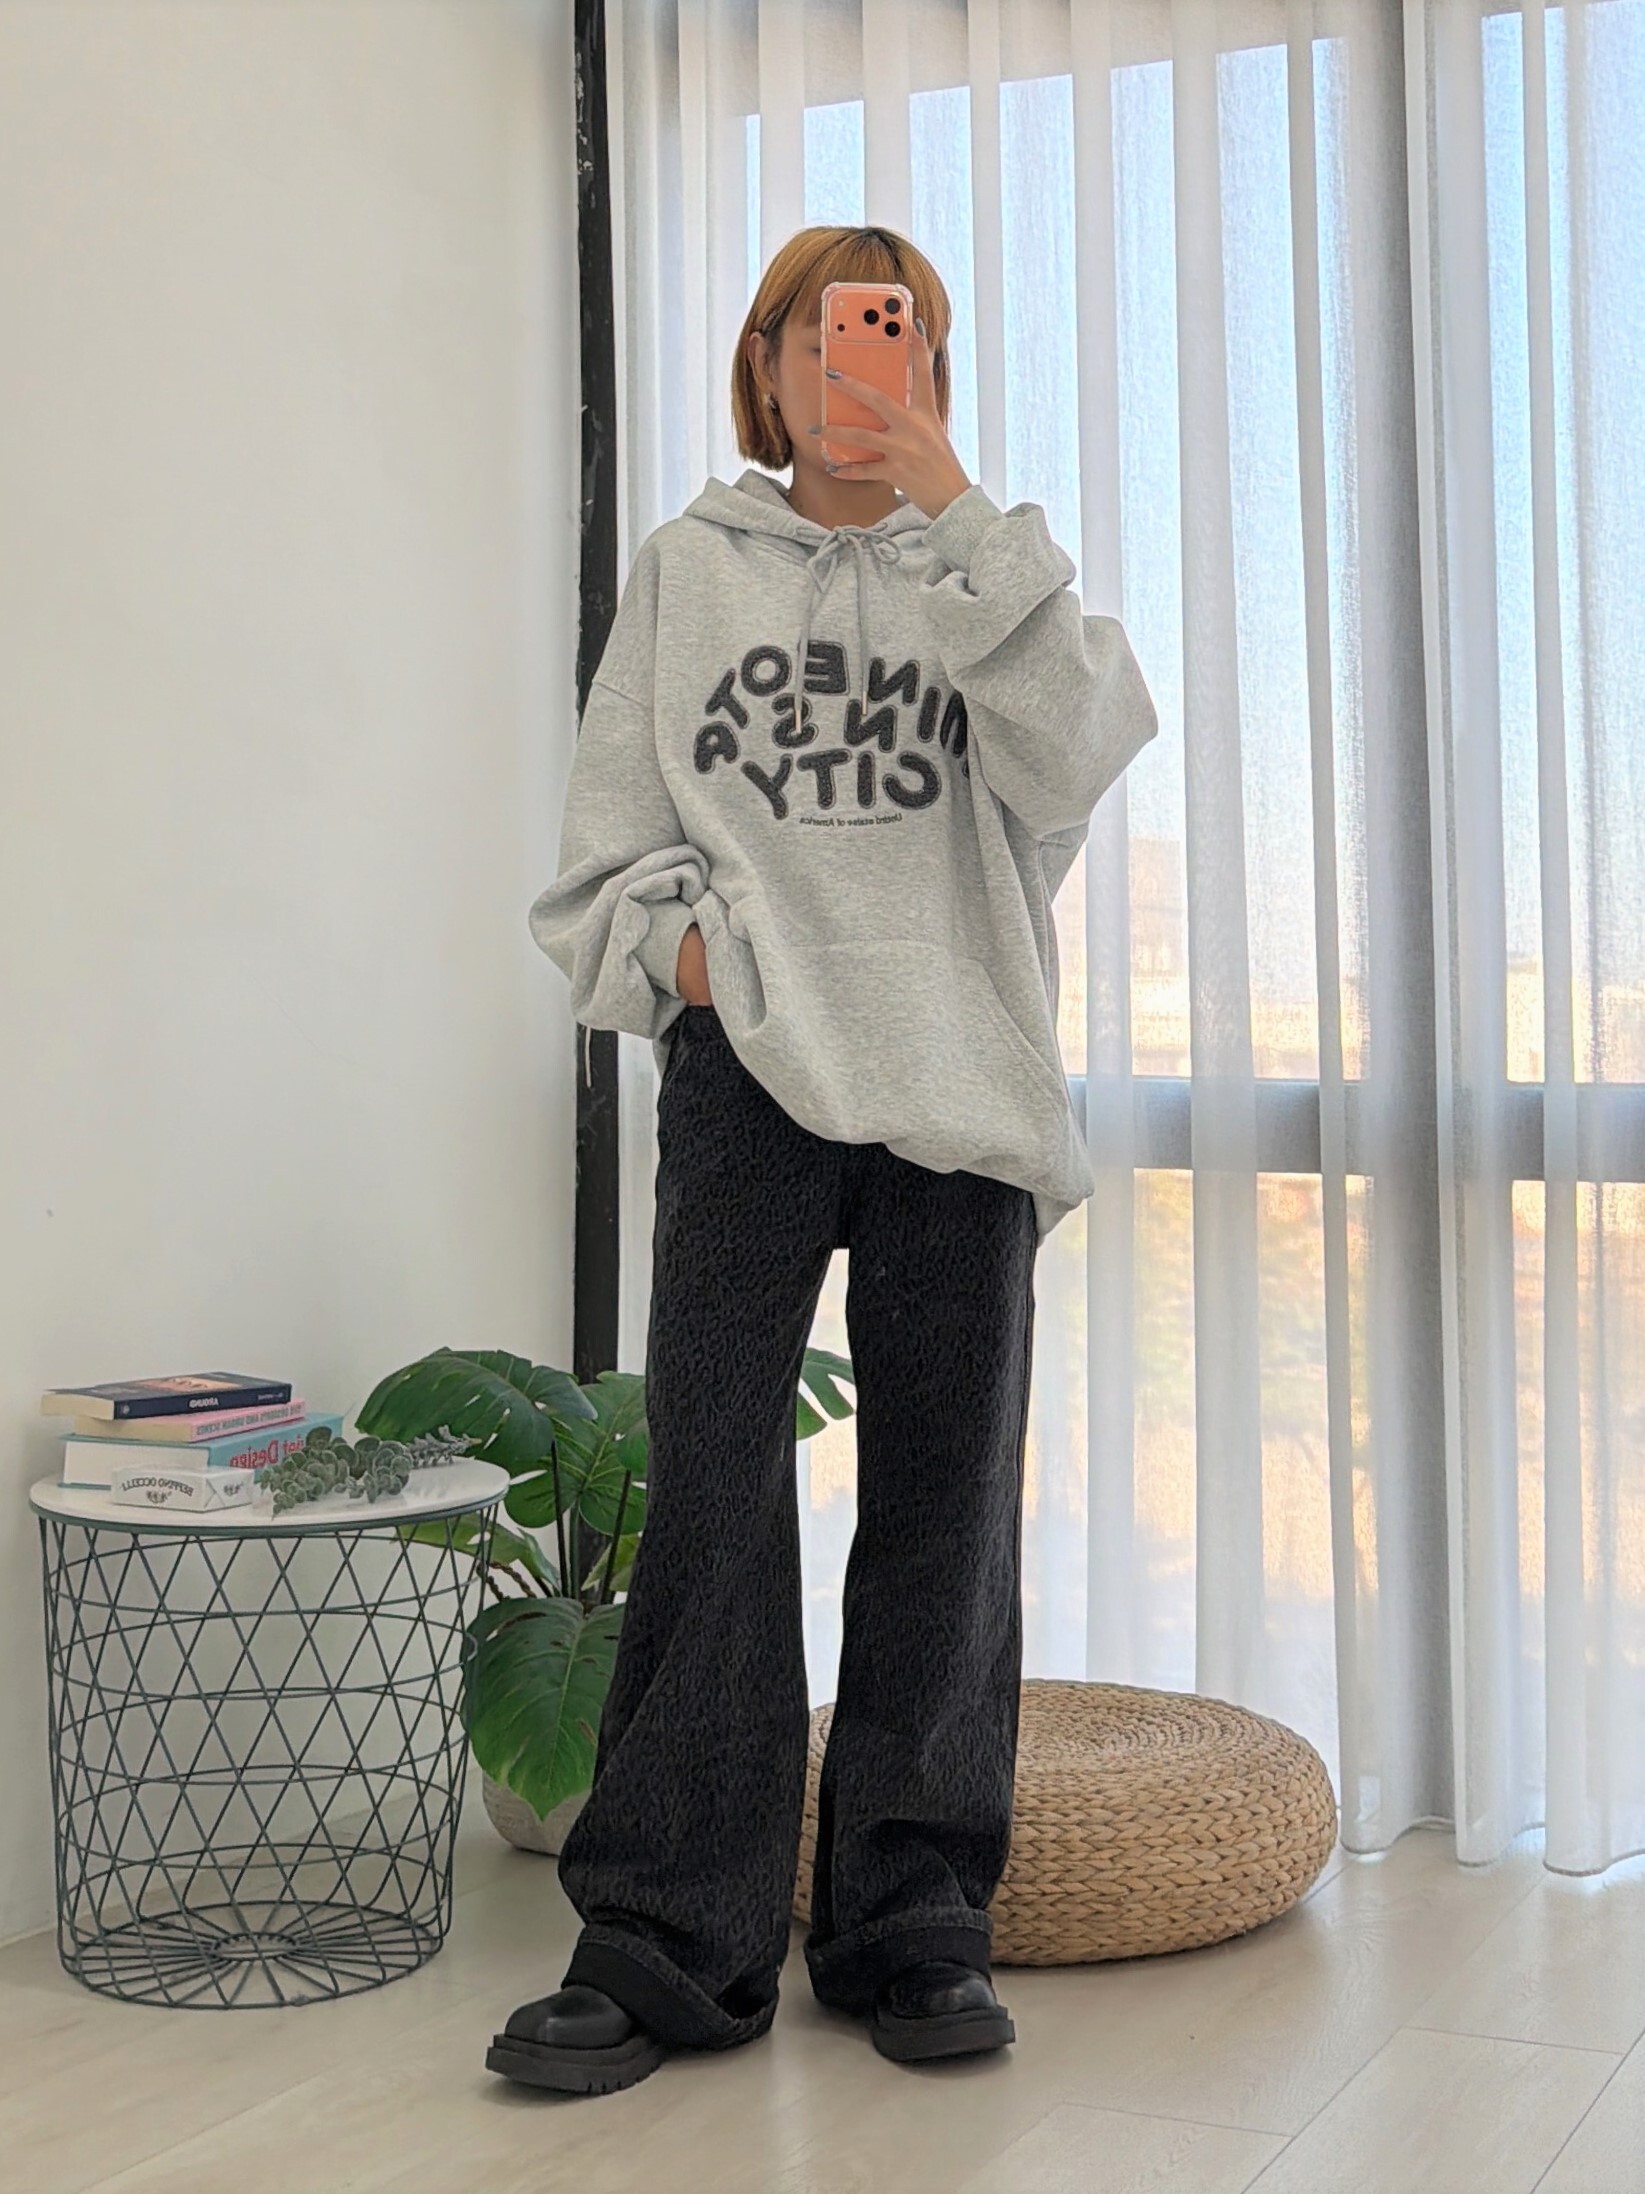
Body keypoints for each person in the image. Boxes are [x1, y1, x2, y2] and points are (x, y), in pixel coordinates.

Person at [488, 225, 1158, 2099]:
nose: (862, 359)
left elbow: (1079, 753)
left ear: (926, 365)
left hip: (962, 1077)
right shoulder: (688, 571)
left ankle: (912, 1917)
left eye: (900, 332)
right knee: (710, 1494)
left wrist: (953, 505)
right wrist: (706, 966)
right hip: (752, 1077)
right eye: (829, 331)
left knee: (946, 1500)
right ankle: (667, 1937)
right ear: (768, 363)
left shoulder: (986, 566)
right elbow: (599, 858)